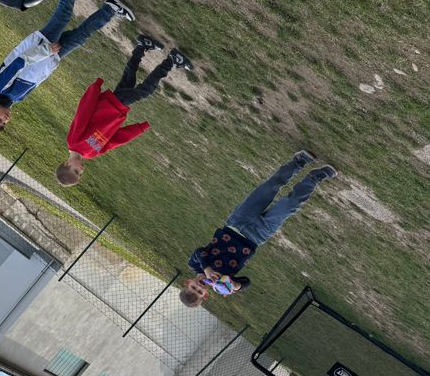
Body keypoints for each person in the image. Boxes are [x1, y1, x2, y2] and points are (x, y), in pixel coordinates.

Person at [0, 0, 134, 136]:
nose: (5, 120)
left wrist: (46, 50)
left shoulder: (0, 87)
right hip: (51, 56)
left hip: (42, 47)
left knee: (63, 15)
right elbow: (36, 78)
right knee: (81, 36)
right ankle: (110, 9)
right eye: (4, 124)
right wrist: (51, 60)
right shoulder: (13, 99)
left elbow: (19, 62)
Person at [180, 152, 338, 306]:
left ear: (188, 282)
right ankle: (315, 177)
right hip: (257, 236)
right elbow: (246, 282)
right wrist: (235, 286)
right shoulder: (223, 284)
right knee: (290, 205)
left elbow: (199, 252)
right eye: (200, 292)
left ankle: (299, 161)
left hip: (236, 223)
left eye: (193, 287)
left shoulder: (194, 264)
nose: (199, 287)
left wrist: (207, 269)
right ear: (206, 295)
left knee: (269, 187)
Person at [55, 37, 193, 186]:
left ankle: (172, 60)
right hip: (117, 110)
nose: (81, 170)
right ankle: (142, 46)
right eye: (80, 174)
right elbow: (115, 141)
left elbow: (82, 114)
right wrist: (139, 129)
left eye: (76, 171)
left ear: (67, 163)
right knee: (129, 80)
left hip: (109, 104)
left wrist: (94, 89)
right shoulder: (91, 153)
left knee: (144, 91)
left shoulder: (73, 141)